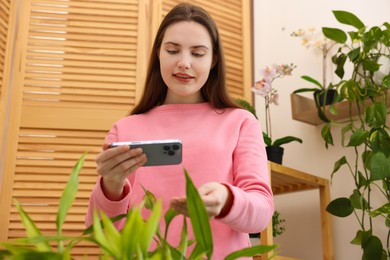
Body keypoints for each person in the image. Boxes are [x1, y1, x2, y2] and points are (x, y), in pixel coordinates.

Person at [85, 2, 274, 259]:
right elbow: (100, 235)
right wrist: (112, 185)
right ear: (159, 54)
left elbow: (261, 215)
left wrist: (226, 200)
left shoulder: (240, 122)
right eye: (173, 50)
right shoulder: (125, 129)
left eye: (197, 53)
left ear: (214, 59)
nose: (184, 63)